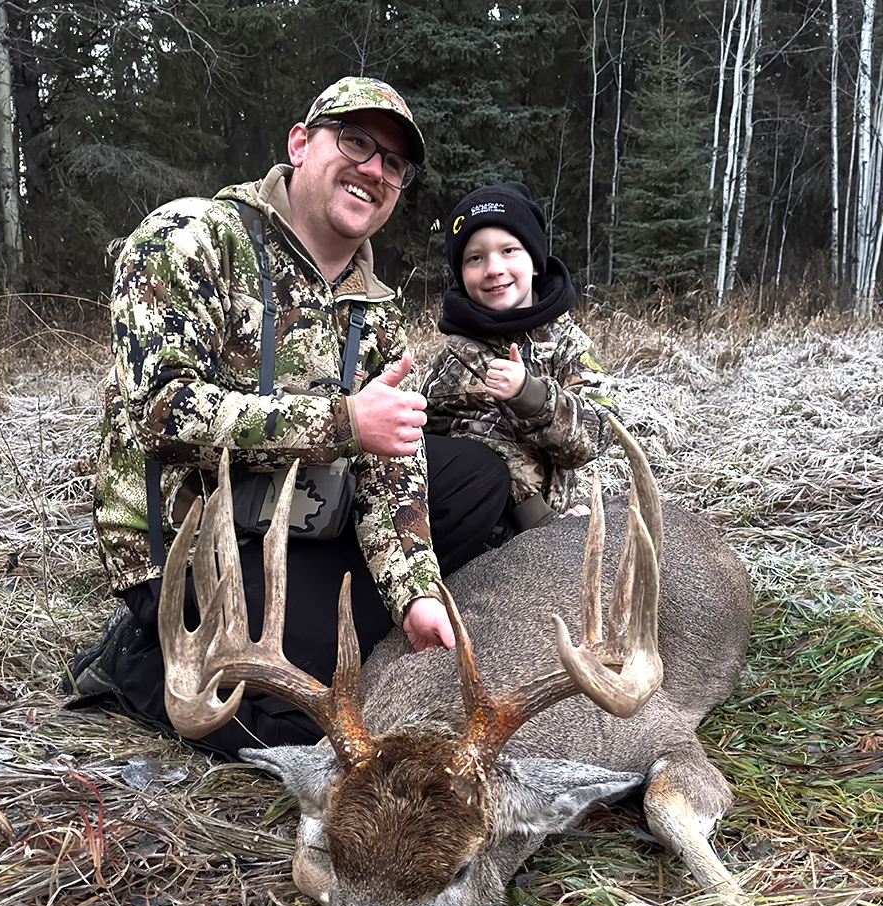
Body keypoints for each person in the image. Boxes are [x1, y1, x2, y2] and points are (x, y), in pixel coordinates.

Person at [66, 77, 511, 755]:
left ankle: (332, 621)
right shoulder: (190, 239)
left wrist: (415, 595)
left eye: (393, 163)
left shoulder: (376, 313)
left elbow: (394, 470)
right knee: (305, 722)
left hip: (297, 523)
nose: (373, 169)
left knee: (475, 476)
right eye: (356, 141)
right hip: (186, 549)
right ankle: (136, 664)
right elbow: (162, 413)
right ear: (300, 145)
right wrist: (341, 424)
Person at [423, 182, 618, 539]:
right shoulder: (455, 353)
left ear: (536, 262)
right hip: (474, 532)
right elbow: (431, 442)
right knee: (476, 431)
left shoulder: (568, 344)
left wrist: (532, 395)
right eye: (475, 258)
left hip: (554, 524)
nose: (494, 268)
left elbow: (598, 433)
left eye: (509, 250)